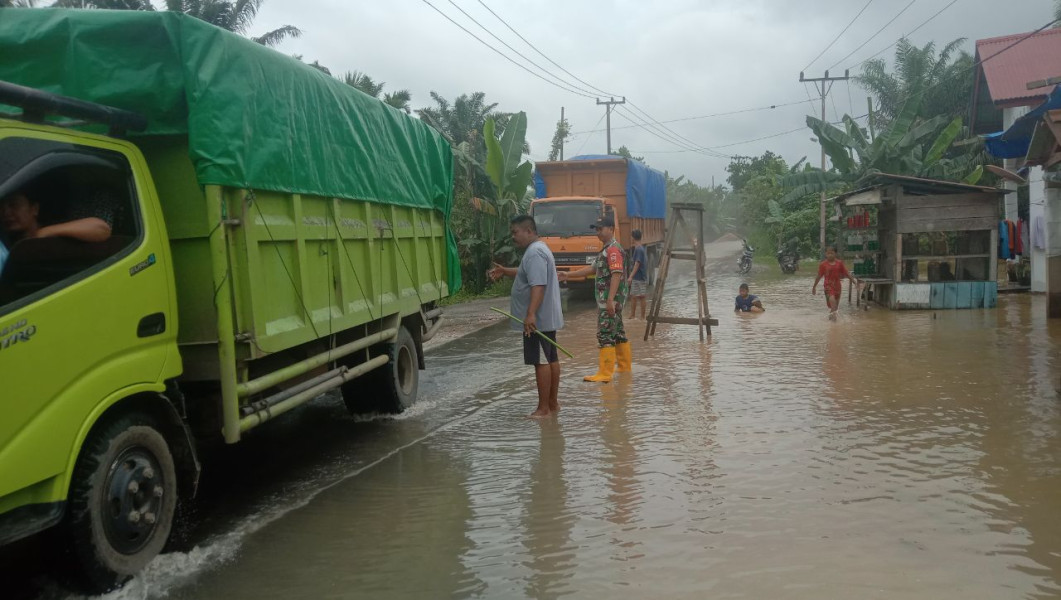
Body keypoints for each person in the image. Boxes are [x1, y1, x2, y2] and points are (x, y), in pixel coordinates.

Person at [488, 215, 564, 418]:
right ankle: (553, 404)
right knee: (551, 358)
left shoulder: (534, 253)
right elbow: (527, 274)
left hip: (537, 320)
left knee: (541, 361)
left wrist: (530, 314)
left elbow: (538, 284)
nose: (513, 237)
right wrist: (505, 271)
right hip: (546, 317)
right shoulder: (539, 249)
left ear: (529, 231)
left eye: (515, 232)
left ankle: (543, 409)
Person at [558, 216, 629, 383]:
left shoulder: (612, 250)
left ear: (611, 229)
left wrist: (610, 299)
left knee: (604, 334)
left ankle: (605, 373)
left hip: (609, 301)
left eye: (600, 229)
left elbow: (616, 274)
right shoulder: (606, 249)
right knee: (618, 333)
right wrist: (568, 274)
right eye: (596, 229)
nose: (598, 232)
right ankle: (625, 368)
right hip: (611, 300)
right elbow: (591, 269)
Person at [812, 245, 858, 320]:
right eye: (828, 253)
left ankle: (831, 323)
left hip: (837, 287)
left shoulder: (839, 263)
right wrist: (814, 287)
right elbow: (819, 276)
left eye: (832, 253)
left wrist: (854, 282)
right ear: (826, 254)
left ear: (835, 254)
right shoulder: (823, 264)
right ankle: (834, 324)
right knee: (833, 305)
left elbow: (847, 273)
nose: (830, 255)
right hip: (828, 287)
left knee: (835, 308)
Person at [626, 229, 648, 320]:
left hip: (638, 277)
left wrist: (630, 276)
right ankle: (637, 316)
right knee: (636, 296)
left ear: (633, 238)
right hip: (641, 276)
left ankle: (636, 316)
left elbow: (637, 264)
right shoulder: (641, 248)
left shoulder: (638, 249)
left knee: (638, 296)